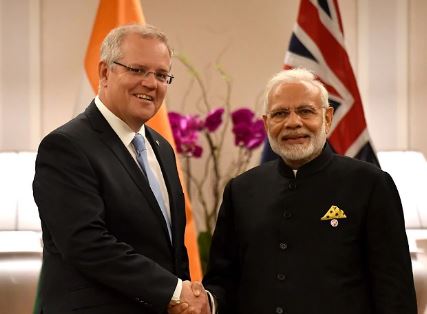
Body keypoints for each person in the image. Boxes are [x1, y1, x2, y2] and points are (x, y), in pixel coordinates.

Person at [202, 68, 418, 314]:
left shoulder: (369, 184)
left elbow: (394, 291)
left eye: (306, 111)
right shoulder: (241, 190)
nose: (293, 123)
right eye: (280, 113)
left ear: (327, 118)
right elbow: (222, 281)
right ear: (266, 123)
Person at [33, 24, 209, 314]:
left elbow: (170, 249)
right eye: (138, 70)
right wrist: (175, 291)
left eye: (162, 75)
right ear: (104, 72)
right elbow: (87, 244)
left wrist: (185, 296)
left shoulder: (162, 149)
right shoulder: (66, 146)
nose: (151, 83)